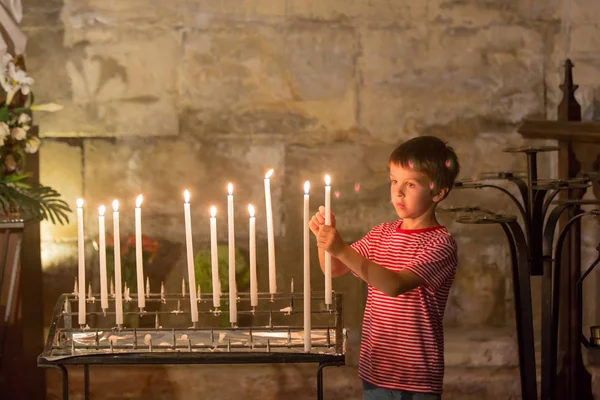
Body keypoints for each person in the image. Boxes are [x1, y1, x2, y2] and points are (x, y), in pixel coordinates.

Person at [309, 135, 460, 400]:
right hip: (376, 367)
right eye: (394, 181)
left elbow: (394, 285)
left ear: (438, 192)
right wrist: (325, 239)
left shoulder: (440, 244)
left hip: (416, 375)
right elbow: (334, 269)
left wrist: (341, 248)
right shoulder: (382, 233)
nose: (398, 192)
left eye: (410, 184)